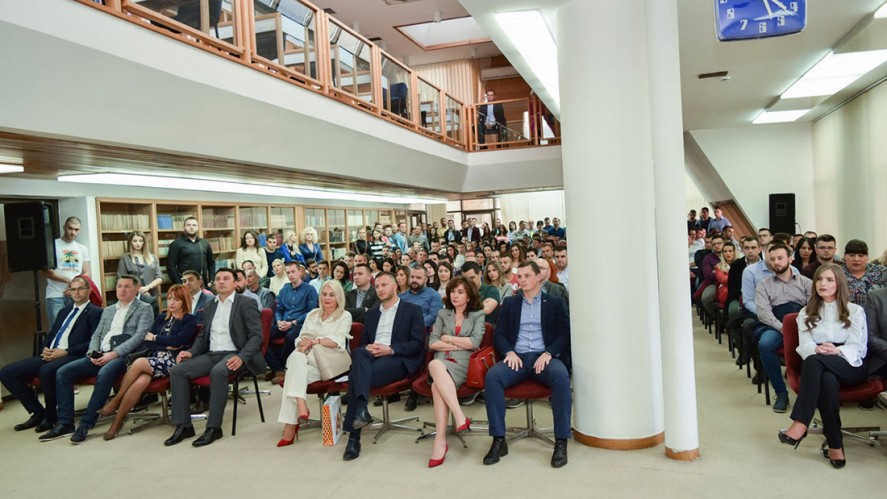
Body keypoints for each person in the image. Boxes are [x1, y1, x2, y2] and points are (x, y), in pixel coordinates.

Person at [43, 275, 154, 443]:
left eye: (127, 286)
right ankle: (65, 423)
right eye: (119, 286)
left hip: (124, 356)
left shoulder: (144, 308)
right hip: (100, 353)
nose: (122, 290)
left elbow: (139, 337)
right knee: (63, 372)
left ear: (137, 288)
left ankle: (86, 424)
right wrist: (91, 353)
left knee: (105, 373)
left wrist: (114, 354)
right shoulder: (108, 310)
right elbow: (96, 335)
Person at [777, 264, 867, 469]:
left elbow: (859, 347)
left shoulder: (855, 311)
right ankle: (835, 444)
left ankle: (801, 422)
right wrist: (817, 349)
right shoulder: (806, 312)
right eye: (819, 279)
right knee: (826, 380)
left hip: (848, 363)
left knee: (814, 362)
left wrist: (836, 351)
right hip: (818, 360)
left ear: (839, 284)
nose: (822, 284)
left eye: (829, 280)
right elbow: (804, 345)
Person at [483, 261, 571, 468]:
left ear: (538, 276)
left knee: (561, 376)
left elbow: (564, 334)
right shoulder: (510, 304)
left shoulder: (555, 303)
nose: (522, 280)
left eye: (527, 276)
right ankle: (498, 440)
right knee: (493, 377)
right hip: (517, 357)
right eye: (519, 276)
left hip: (544, 357)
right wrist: (509, 352)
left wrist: (549, 352)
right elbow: (500, 334)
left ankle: (561, 441)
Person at [164, 268, 265, 448]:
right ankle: (184, 425)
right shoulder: (210, 304)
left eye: (226, 278)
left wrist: (241, 357)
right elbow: (203, 335)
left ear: (235, 283)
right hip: (212, 353)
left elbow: (256, 336)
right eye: (218, 279)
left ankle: (213, 427)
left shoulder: (246, 303)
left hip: (235, 353)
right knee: (177, 371)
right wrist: (191, 352)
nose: (221, 282)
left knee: (218, 372)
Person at [0, 276, 101, 433]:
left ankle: (51, 416)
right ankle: (37, 412)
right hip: (52, 354)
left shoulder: (96, 312)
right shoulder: (64, 311)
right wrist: (45, 349)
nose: (76, 293)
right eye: (73, 289)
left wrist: (65, 352)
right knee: (7, 373)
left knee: (46, 370)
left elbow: (93, 342)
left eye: (80, 289)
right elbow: (52, 334)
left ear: (88, 291)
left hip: (73, 355)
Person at [342, 272, 425, 461]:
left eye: (384, 285)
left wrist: (390, 349)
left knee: (356, 377)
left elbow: (418, 344)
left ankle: (354, 438)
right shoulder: (371, 314)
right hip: (371, 357)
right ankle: (361, 411)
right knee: (359, 352)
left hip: (397, 359)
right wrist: (369, 348)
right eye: (377, 286)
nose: (380, 289)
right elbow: (363, 343)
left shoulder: (412, 310)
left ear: (395, 286)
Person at [98, 284, 197, 440]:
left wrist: (157, 338)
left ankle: (115, 401)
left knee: (139, 363)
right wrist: (165, 343)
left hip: (174, 361)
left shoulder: (189, 320)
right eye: (169, 298)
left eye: (176, 300)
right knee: (140, 382)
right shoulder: (161, 318)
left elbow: (178, 341)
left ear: (184, 301)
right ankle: (116, 424)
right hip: (154, 358)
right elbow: (148, 342)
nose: (171, 303)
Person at [277, 281, 353, 447]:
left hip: (328, 363)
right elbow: (301, 336)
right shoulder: (312, 314)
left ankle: (291, 424)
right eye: (324, 294)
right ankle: (300, 406)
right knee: (297, 359)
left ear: (339, 297)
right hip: (306, 360)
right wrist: (302, 343)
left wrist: (315, 341)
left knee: (292, 371)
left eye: (332, 295)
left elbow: (337, 341)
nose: (327, 298)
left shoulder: (345, 315)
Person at [425, 276, 485, 467]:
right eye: (452, 291)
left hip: (464, 363)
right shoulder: (443, 313)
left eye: (460, 292)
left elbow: (474, 342)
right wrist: (458, 345)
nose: (455, 295)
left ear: (469, 296)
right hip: (442, 359)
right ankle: (459, 416)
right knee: (435, 366)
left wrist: (448, 338)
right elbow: (432, 343)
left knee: (436, 385)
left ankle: (440, 442)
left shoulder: (477, 314)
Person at [754, 243, 813, 412]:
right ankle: (781, 393)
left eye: (780, 258)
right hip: (777, 325)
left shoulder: (806, 283)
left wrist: (802, 327)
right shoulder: (764, 285)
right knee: (765, 344)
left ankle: (810, 392)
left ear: (790, 258)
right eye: (772, 259)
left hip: (803, 325)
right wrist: (782, 328)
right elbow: (764, 313)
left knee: (817, 345)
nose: (776, 262)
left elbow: (813, 308)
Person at [267, 261, 319, 383]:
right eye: (288, 272)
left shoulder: (310, 289)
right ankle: (277, 368)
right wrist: (279, 321)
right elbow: (279, 309)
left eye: (293, 272)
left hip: (300, 324)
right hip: (284, 322)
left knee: (291, 337)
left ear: (300, 272)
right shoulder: (285, 289)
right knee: (262, 337)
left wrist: (293, 323)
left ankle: (282, 367)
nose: (290, 275)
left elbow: (311, 312)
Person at [44, 216, 91, 324]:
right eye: (70, 228)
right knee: (58, 329)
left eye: (76, 229)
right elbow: (46, 272)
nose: (73, 232)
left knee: (75, 329)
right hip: (56, 296)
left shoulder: (82, 248)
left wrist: (74, 287)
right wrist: (71, 282)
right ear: (64, 227)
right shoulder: (52, 245)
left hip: (76, 295)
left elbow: (87, 272)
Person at [116, 230, 162, 312]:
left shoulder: (152, 258)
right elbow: (121, 280)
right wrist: (138, 291)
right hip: (133, 297)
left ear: (144, 242)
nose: (138, 243)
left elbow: (159, 278)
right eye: (135, 241)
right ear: (130, 242)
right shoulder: (125, 258)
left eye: (141, 241)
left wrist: (148, 287)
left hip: (152, 296)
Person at [167, 216, 214, 286]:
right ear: (184, 227)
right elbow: (171, 267)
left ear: (198, 227)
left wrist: (211, 280)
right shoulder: (176, 244)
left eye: (194, 225)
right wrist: (179, 284)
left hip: (203, 283)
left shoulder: (204, 243)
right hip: (186, 284)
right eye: (188, 225)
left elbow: (211, 263)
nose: (191, 227)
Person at [841, 239, 887, 306]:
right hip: (845, 311)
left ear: (867, 256)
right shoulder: (837, 273)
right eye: (851, 255)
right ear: (845, 256)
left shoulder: (881, 272)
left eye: (861, 255)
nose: (856, 259)